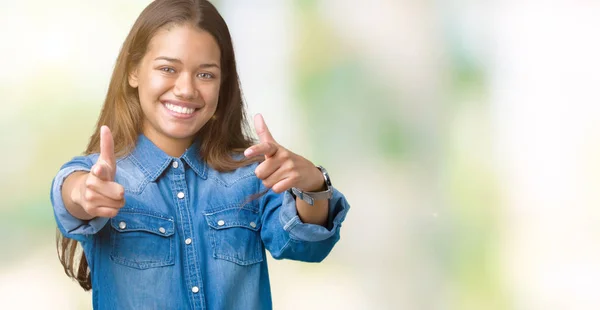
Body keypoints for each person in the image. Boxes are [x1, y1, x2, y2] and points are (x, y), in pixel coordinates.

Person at [49, 0, 350, 309]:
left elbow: (307, 246)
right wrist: (84, 194)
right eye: (168, 69)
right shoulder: (101, 174)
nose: (186, 89)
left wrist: (314, 185)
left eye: (205, 75)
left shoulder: (251, 174)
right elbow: (70, 193)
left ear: (223, 83)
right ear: (133, 71)